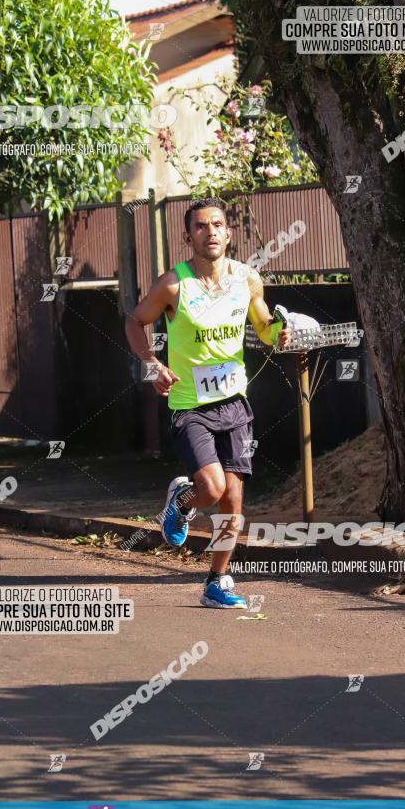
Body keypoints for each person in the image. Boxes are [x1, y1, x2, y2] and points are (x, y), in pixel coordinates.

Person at [125, 197, 290, 608]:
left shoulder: (247, 278)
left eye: (217, 224)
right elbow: (134, 321)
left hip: (234, 402)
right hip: (189, 404)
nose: (210, 231)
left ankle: (217, 580)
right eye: (201, 226)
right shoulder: (173, 284)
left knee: (233, 502)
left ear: (228, 233)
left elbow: (263, 326)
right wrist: (151, 362)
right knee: (213, 489)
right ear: (188, 236)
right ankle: (182, 500)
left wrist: (277, 335)